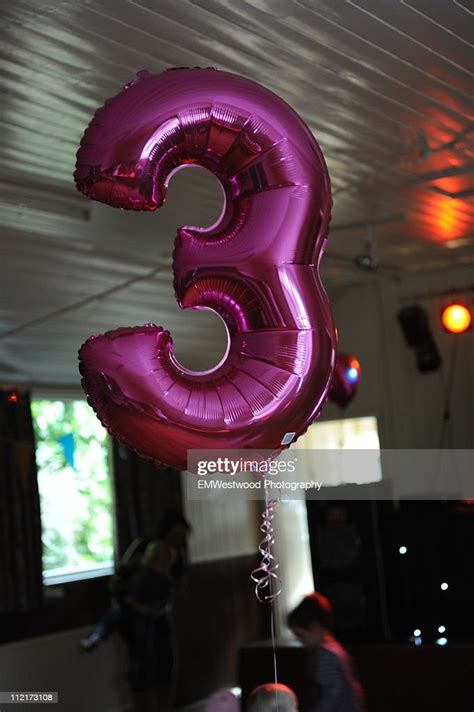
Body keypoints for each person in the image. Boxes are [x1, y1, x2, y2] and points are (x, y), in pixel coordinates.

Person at [80, 510, 190, 651]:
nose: (179, 539)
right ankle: (97, 636)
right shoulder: (143, 549)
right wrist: (128, 600)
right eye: (177, 534)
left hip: (156, 610)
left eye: (182, 536)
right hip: (132, 608)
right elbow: (120, 577)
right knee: (141, 655)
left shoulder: (176, 557)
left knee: (165, 656)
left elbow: (174, 588)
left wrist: (157, 606)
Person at [288, 593, 365, 712]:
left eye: (301, 636)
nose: (302, 642)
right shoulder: (336, 648)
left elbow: (331, 695)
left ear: (315, 626)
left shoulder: (325, 655)